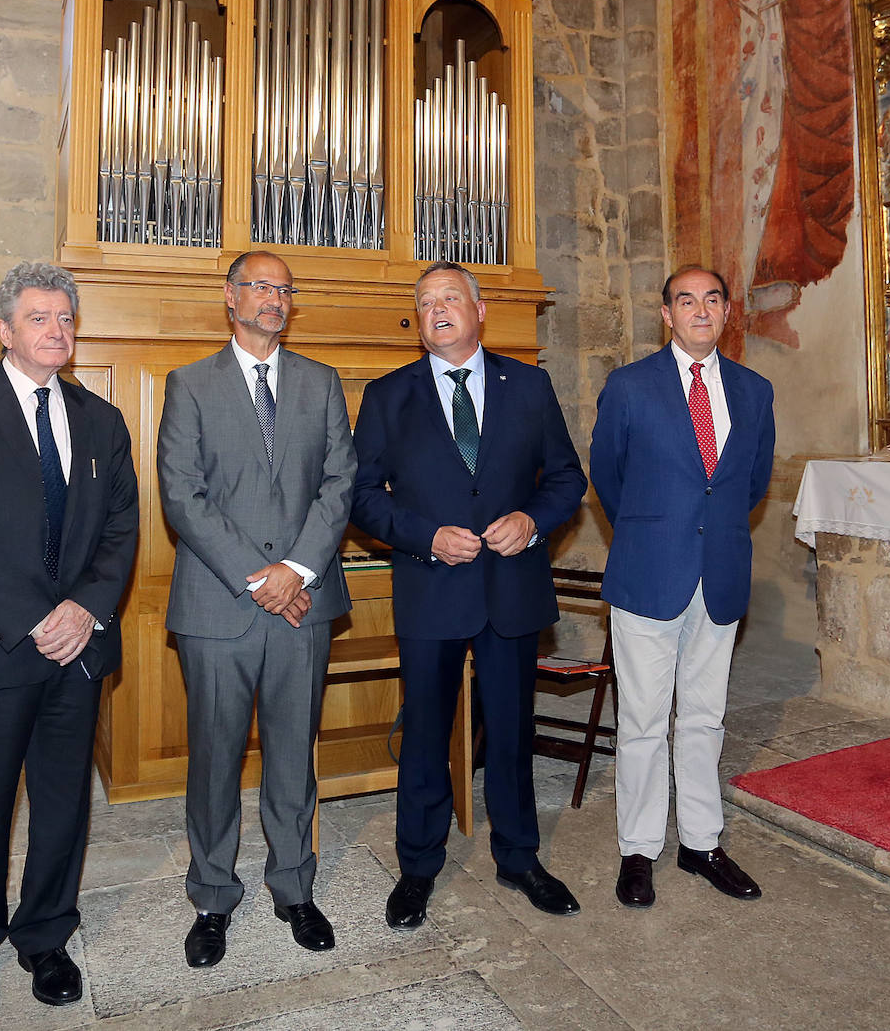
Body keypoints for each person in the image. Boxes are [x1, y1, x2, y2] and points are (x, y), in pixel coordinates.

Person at [0, 262, 139, 1019]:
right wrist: (35, 618)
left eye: (66, 319)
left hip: (77, 649)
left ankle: (46, 935)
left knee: (62, 802)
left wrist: (85, 610)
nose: (56, 331)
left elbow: (119, 531)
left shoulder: (103, 421)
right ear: (5, 330)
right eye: (39, 318)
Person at [350, 261, 587, 929]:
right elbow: (362, 497)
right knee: (425, 734)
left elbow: (567, 479)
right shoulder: (389, 396)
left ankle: (519, 858)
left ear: (479, 311)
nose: (439, 310)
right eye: (426, 304)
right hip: (431, 588)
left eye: (451, 298)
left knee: (511, 731)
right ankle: (418, 868)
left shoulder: (530, 385)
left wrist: (533, 520)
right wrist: (425, 536)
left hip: (511, 586)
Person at [157, 251, 356, 969]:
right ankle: (212, 897)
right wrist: (259, 575)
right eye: (258, 286)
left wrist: (297, 569)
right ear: (229, 296)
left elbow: (340, 483)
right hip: (219, 605)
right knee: (214, 759)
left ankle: (294, 887)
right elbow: (182, 494)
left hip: (304, 601)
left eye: (283, 289)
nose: (272, 298)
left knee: (292, 756)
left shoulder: (321, 383)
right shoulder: (190, 385)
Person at [590, 265, 775, 909]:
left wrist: (707, 532)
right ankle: (638, 850)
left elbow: (750, 485)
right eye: (685, 300)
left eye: (712, 300)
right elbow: (607, 478)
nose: (699, 310)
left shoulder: (755, 392)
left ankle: (701, 842)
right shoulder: (630, 386)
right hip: (648, 572)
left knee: (705, 716)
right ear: (666, 314)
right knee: (642, 720)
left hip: (719, 573)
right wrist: (651, 531)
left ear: (727, 312)